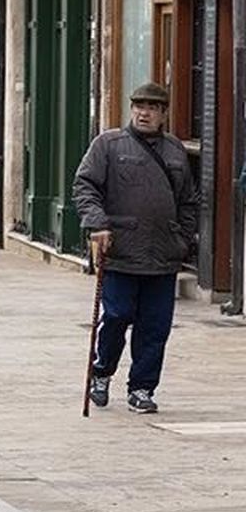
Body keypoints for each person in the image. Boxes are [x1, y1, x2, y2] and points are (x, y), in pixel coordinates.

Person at [74, 82, 200, 414]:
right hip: (121, 251)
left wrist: (182, 237)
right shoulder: (108, 145)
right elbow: (85, 185)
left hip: (163, 254)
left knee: (155, 326)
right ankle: (101, 373)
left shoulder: (174, 151)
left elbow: (188, 200)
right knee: (115, 316)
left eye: (152, 108)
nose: (144, 112)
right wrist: (97, 224)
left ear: (163, 114)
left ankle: (142, 387)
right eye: (138, 106)